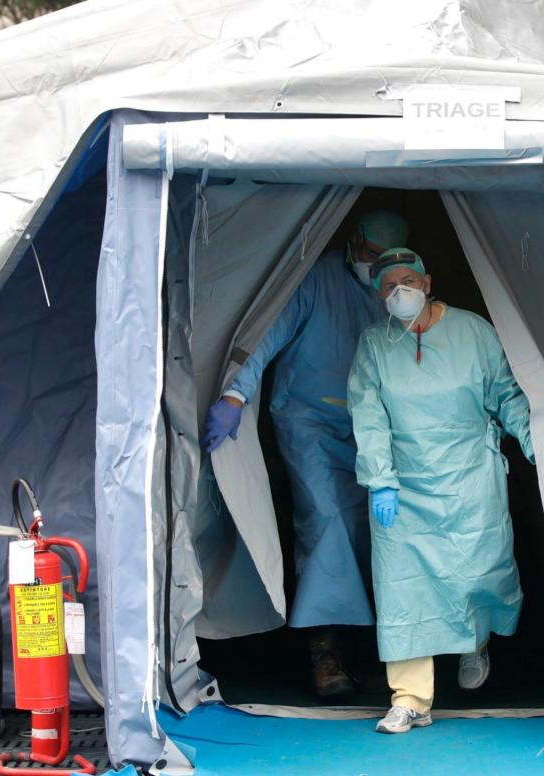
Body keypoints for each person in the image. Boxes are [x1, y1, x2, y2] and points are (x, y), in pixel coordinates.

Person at [201, 210, 409, 698]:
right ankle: (325, 652)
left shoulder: (394, 291)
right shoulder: (314, 279)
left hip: (374, 429)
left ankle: (374, 654)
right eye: (371, 256)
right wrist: (235, 395)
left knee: (379, 535)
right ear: (354, 241)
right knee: (328, 521)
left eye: (386, 261)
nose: (376, 267)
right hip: (309, 422)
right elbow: (265, 337)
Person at [347, 248, 535, 734]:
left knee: (474, 570)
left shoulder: (474, 332)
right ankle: (410, 698)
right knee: (403, 588)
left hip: (469, 476)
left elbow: (505, 392)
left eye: (406, 281)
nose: (398, 292)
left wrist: (537, 439)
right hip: (403, 486)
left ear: (427, 283)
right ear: (378, 295)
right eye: (388, 286)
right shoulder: (374, 345)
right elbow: (368, 416)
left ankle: (473, 643)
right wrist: (380, 480)